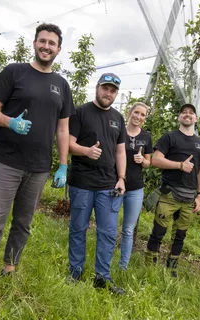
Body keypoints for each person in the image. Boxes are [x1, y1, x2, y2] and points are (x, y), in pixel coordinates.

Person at [0, 23, 75, 315]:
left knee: (23, 223)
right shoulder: (14, 72)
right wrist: (10, 122)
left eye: (52, 43)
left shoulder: (62, 85)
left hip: (38, 168)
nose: (47, 46)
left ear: (59, 50)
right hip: (6, 161)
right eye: (43, 41)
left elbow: (63, 130)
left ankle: (9, 269)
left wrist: (63, 165)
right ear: (35, 43)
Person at [67, 72, 127, 295]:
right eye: (105, 88)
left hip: (108, 185)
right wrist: (86, 151)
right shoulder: (80, 112)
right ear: (97, 88)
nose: (108, 93)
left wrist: (121, 178)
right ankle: (75, 271)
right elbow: (68, 144)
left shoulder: (118, 118)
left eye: (112, 91)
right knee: (78, 229)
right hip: (82, 182)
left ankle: (102, 277)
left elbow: (120, 151)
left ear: (115, 94)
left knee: (108, 232)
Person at [145, 104, 200, 278]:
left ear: (196, 119)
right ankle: (150, 264)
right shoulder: (169, 138)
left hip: (190, 198)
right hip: (169, 194)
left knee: (180, 235)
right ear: (179, 117)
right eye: (184, 113)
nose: (187, 115)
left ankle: (172, 266)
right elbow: (156, 161)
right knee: (158, 231)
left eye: (191, 113)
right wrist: (180, 165)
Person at [119, 102, 153, 270]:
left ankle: (123, 266)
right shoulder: (118, 131)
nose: (138, 117)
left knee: (128, 230)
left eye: (142, 115)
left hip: (135, 188)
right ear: (129, 112)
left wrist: (143, 161)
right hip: (116, 185)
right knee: (109, 227)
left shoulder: (146, 136)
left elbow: (148, 163)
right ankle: (103, 260)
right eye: (136, 113)